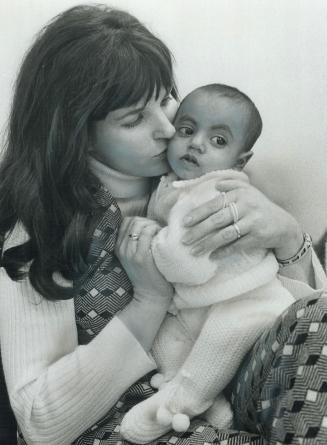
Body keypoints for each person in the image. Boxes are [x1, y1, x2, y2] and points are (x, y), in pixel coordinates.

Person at [0, 5, 325, 445]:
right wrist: (148, 301)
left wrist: (289, 238)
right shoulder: (41, 229)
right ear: (78, 132)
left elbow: (284, 303)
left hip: (231, 379)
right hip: (117, 426)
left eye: (166, 98)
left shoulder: (204, 174)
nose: (168, 128)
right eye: (134, 119)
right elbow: (40, 423)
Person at [120, 84, 296, 444]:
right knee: (168, 341)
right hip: (199, 305)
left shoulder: (213, 192)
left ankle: (181, 402)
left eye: (217, 141)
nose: (196, 143)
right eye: (186, 131)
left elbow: (187, 267)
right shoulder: (172, 184)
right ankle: (206, 402)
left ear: (240, 160)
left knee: (218, 341)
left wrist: (151, 238)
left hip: (252, 304)